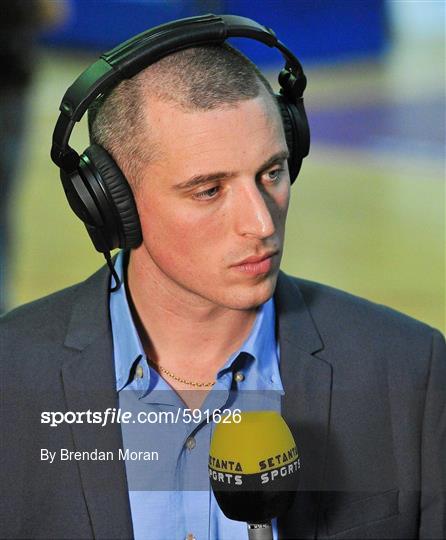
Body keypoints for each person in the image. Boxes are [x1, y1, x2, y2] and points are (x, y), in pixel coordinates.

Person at [1, 15, 444, 540]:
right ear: (111, 203)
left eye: (272, 173)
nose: (261, 224)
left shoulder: (410, 369)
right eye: (208, 190)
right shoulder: (10, 379)